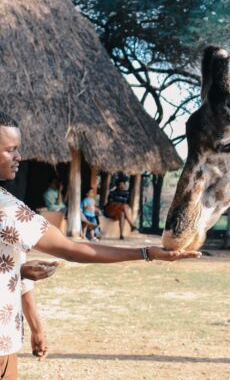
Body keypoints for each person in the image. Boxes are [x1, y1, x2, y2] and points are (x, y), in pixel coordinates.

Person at [0, 112, 200, 379]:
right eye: (11, 150)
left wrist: (16, 271)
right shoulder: (8, 211)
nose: (19, 157)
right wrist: (146, 253)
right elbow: (75, 250)